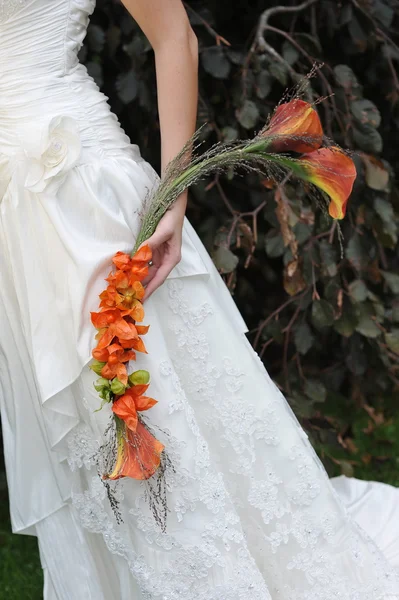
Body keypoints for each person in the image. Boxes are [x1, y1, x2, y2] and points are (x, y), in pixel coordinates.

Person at [0, 1, 398, 598]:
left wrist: (174, 194)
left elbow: (174, 37)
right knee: (83, 448)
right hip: (15, 218)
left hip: (80, 192)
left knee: (154, 412)